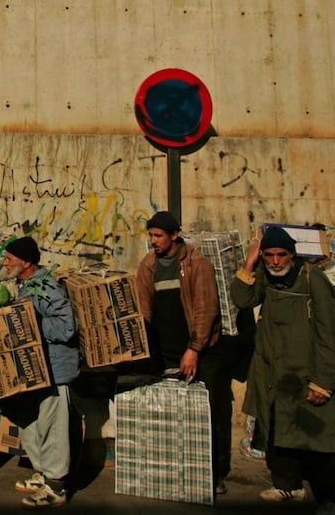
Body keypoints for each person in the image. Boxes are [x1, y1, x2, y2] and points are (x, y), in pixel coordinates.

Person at [231, 226, 335, 515]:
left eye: (281, 255)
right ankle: (288, 485)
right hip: (276, 374)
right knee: (278, 435)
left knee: (322, 441)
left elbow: (330, 335)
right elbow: (243, 300)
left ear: (292, 256)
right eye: (269, 255)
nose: (274, 261)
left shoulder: (314, 281)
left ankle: (334, 499)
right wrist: (249, 264)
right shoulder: (267, 279)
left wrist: (322, 381)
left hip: (308, 373)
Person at [134, 211, 231, 495]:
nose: (153, 241)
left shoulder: (197, 263)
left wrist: (194, 349)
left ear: (174, 235)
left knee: (208, 415)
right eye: (150, 235)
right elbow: (144, 308)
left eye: (158, 236)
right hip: (166, 351)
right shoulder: (148, 265)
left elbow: (205, 308)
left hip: (200, 351)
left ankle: (215, 474)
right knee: (172, 416)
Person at [0, 236, 77, 509]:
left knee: (54, 429)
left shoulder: (47, 288)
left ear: (27, 262)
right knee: (32, 425)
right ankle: (44, 473)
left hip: (55, 371)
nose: (5, 263)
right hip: (37, 371)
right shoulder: (27, 286)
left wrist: (31, 328)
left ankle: (56, 487)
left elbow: (67, 327)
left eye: (10, 259)